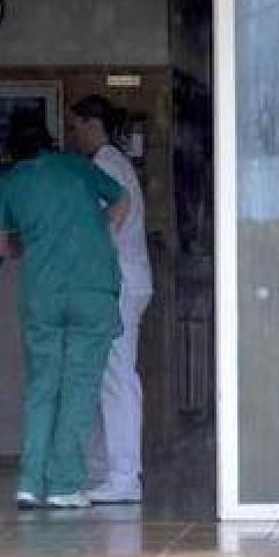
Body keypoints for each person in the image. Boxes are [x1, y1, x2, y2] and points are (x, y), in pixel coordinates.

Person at [0, 108, 129, 509]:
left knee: (41, 387)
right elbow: (122, 199)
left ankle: (30, 483)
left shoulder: (11, 182)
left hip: (42, 292)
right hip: (93, 287)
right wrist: (102, 233)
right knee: (80, 386)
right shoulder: (75, 167)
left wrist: (33, 245)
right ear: (48, 137)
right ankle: (66, 484)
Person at [69, 95, 153, 504]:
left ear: (90, 124)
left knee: (117, 377)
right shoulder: (113, 163)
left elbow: (103, 224)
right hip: (119, 282)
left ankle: (123, 475)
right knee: (108, 376)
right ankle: (107, 471)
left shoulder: (104, 165)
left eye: (76, 126)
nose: (74, 135)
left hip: (116, 284)